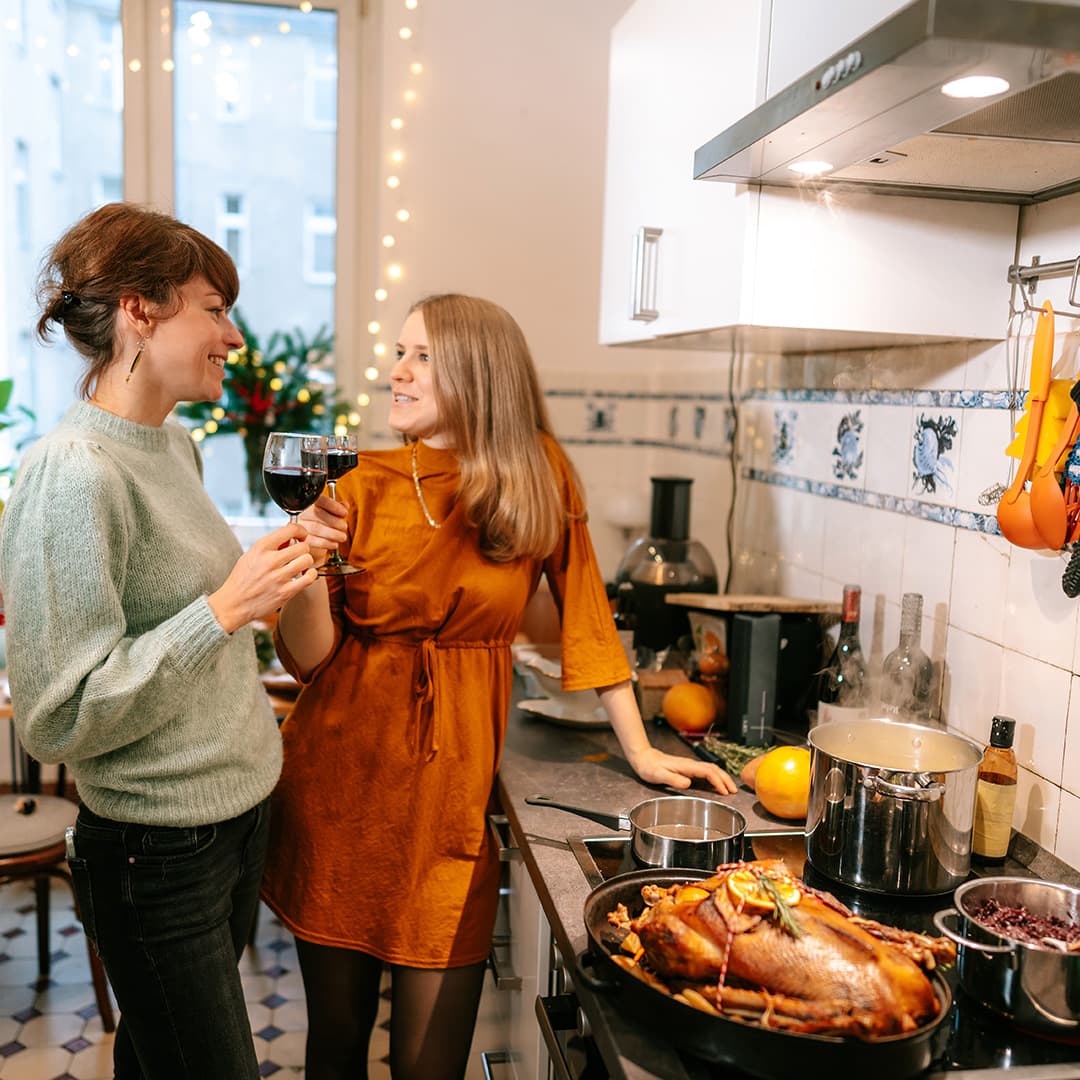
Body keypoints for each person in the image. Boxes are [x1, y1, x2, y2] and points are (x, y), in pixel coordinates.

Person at [263, 292, 736, 1079]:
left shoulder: (536, 473)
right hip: (340, 789)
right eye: (398, 354)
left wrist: (642, 750)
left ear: (478, 374)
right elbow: (310, 660)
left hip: (450, 801)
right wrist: (309, 558)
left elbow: (588, 616)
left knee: (429, 1065)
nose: (396, 372)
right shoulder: (355, 481)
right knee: (336, 1049)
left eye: (420, 356)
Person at [0, 202, 321, 1079]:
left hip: (233, 818)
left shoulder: (169, 446)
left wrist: (267, 584)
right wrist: (220, 611)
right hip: (157, 851)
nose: (233, 337)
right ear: (139, 311)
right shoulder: (72, 473)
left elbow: (190, 621)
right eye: (214, 308)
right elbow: (58, 721)